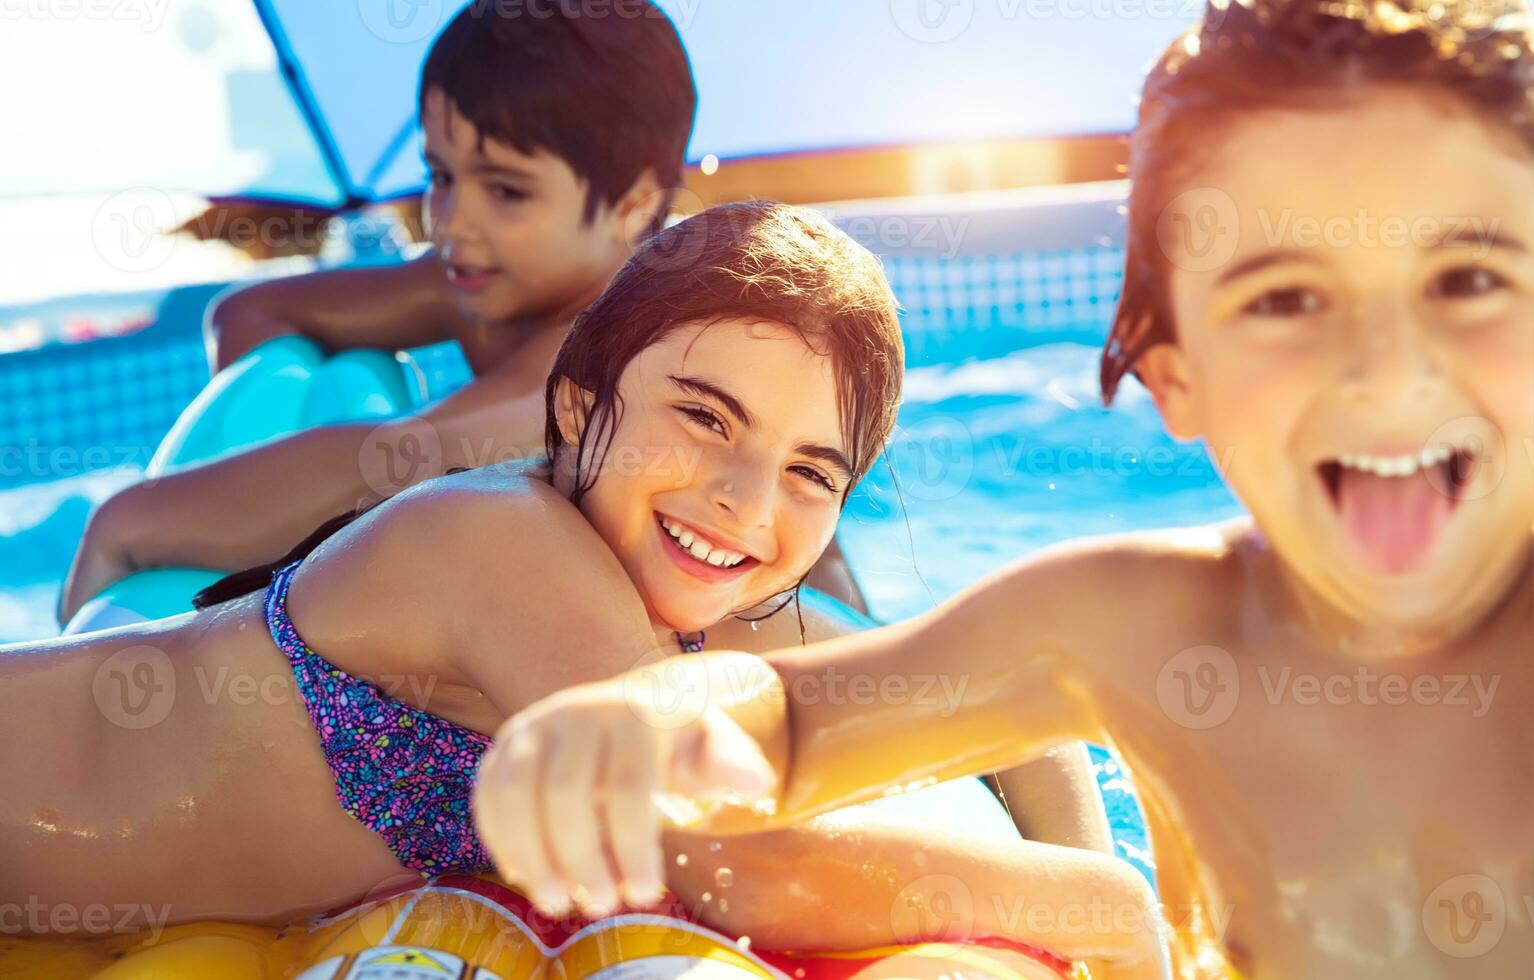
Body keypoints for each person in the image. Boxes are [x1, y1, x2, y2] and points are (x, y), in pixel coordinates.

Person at [473, 3, 1534, 976]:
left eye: (1469, 279)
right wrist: (646, 713)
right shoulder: (1130, 621)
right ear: (1177, 378)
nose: (1386, 369)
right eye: (1287, 297)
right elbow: (793, 721)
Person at [5, 204, 1165, 977]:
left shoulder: (692, 583)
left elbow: (972, 687)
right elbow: (736, 866)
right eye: (705, 417)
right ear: (573, 406)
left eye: (811, 471)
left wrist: (1105, 871)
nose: (743, 503)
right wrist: (1100, 910)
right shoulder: (500, 546)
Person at [58, 0, 867, 625]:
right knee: (338, 374)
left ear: (634, 207)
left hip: (774, 608)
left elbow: (416, 463)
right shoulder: (481, 278)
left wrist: (135, 521)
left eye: (506, 190)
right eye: (441, 176)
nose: (451, 222)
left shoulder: (631, 350)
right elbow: (255, 312)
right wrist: (278, 427)